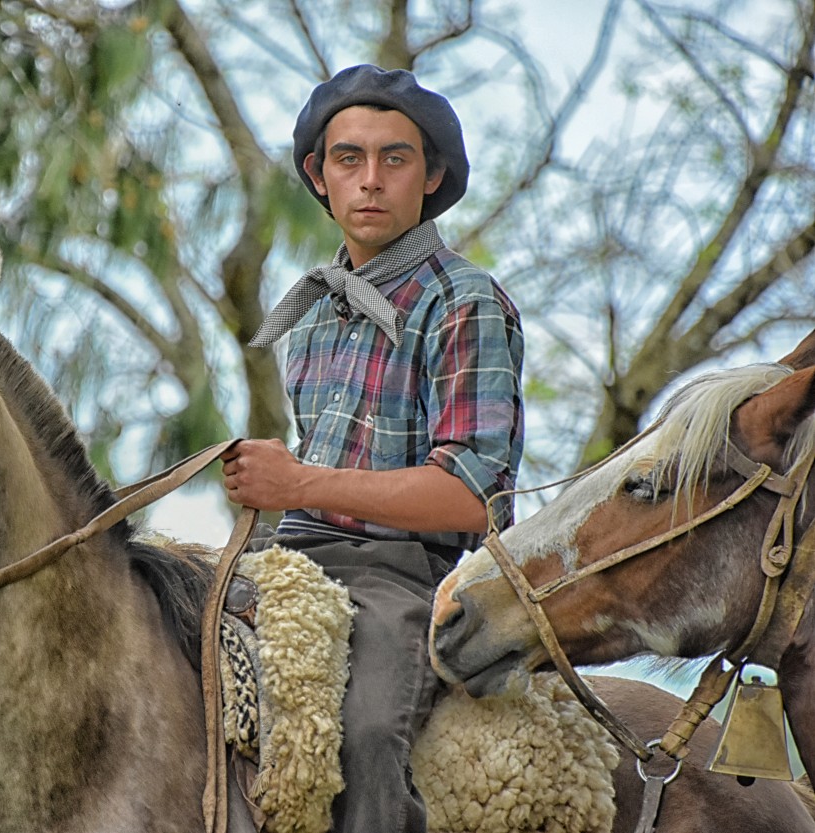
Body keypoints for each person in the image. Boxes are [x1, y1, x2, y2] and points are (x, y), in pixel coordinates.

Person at [223, 65, 524, 833]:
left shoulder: (465, 300)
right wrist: (271, 489)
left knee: (363, 738)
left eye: (396, 158)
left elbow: (468, 495)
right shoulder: (317, 314)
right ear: (318, 177)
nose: (370, 180)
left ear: (433, 177)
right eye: (348, 159)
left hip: (404, 575)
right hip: (287, 560)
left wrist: (297, 483)